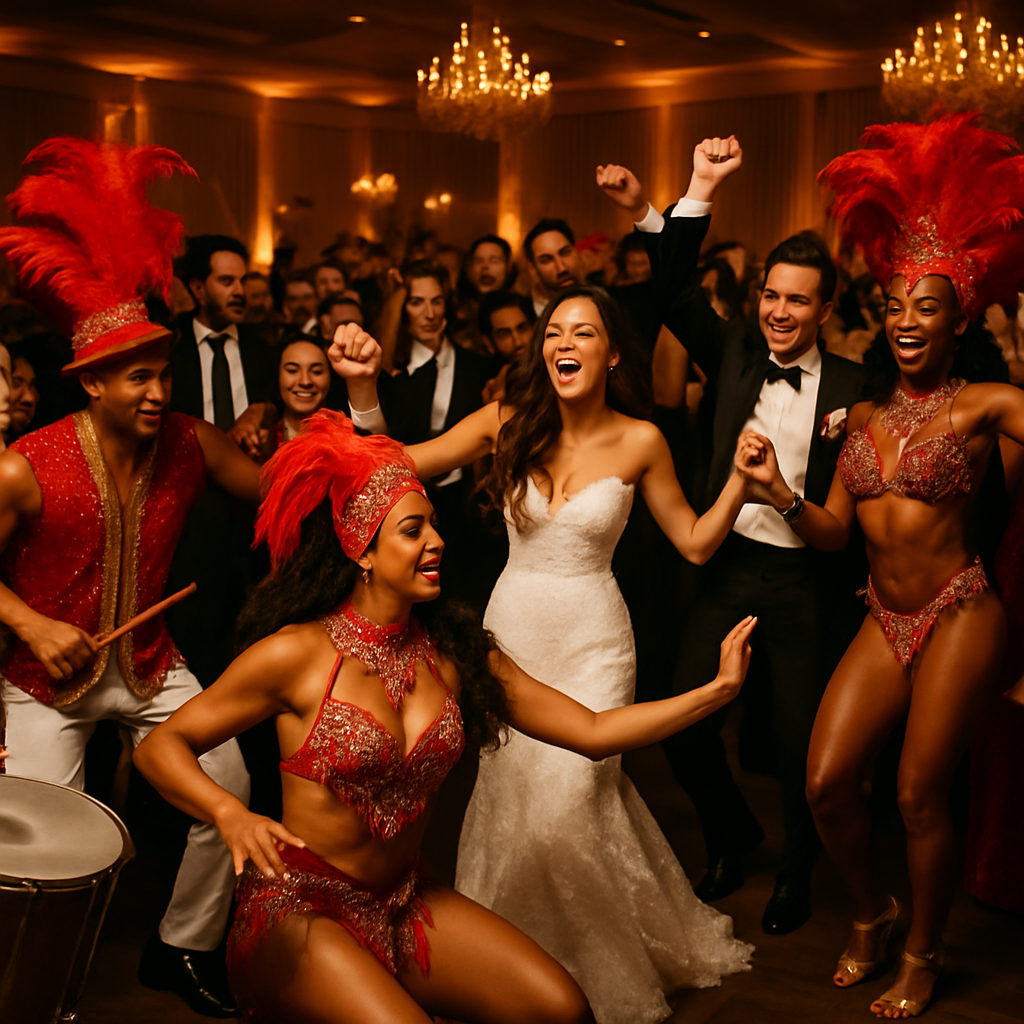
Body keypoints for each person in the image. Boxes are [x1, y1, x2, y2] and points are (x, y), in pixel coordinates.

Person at [132, 407, 756, 1024]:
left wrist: (714, 694)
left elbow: (592, 733)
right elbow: (160, 746)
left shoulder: (457, 654)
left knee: (561, 1007)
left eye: (434, 526)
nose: (437, 541)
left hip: (401, 902)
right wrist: (229, 813)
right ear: (362, 550)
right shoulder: (296, 654)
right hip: (299, 911)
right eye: (413, 530)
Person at [349, 272, 761, 1020]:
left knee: (574, 796)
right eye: (553, 334)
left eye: (583, 333)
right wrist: (359, 387)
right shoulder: (505, 421)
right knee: (517, 801)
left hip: (596, 638)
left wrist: (739, 482)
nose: (563, 344)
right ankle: (519, 963)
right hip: (514, 631)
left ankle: (589, 972)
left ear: (610, 357)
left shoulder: (642, 440)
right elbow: (393, 464)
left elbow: (696, 544)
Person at [736, 114, 1024, 1018]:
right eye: (895, 306)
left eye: (925, 307)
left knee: (916, 791)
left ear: (958, 318)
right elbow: (831, 534)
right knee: (823, 785)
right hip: (880, 612)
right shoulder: (859, 422)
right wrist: (780, 491)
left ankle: (926, 951)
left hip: (961, 609)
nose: (906, 320)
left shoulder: (986, 407)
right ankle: (874, 911)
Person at [0, 136, 265, 1017]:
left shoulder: (190, 442)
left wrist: (344, 435)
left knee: (227, 786)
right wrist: (34, 626)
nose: (160, 392)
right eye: (141, 378)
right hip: (47, 678)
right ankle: (35, 987)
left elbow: (271, 488)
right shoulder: (24, 466)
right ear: (95, 384)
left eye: (163, 375)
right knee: (44, 844)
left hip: (150, 663)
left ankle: (181, 949)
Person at [600, 139, 868, 934]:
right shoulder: (740, 355)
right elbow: (676, 284)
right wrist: (694, 188)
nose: (781, 312)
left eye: (798, 301)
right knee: (679, 722)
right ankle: (728, 834)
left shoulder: (857, 388)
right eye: (771, 297)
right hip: (723, 570)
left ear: (825, 310)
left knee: (796, 750)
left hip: (804, 586)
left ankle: (794, 868)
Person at [272, 339, 331, 449]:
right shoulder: (260, 439)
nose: (305, 381)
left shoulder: (347, 438)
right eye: (292, 370)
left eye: (316, 371)